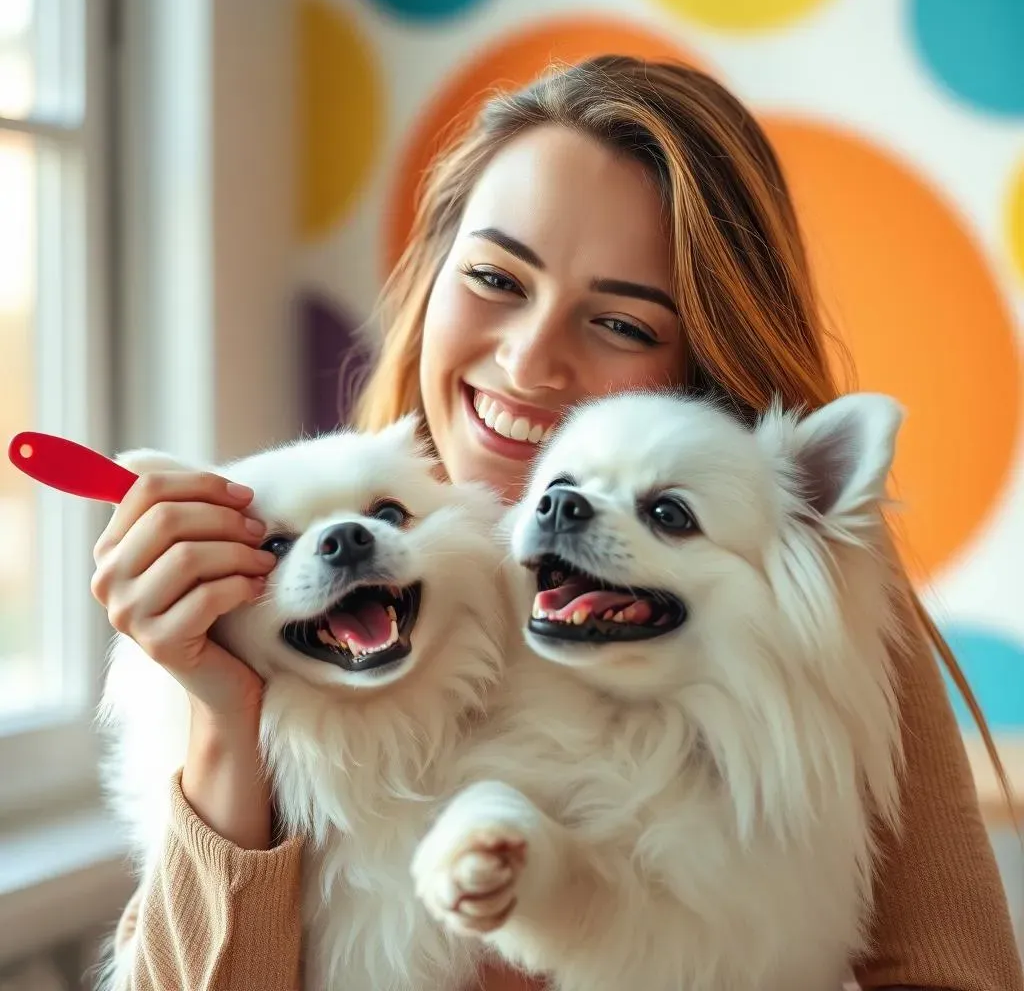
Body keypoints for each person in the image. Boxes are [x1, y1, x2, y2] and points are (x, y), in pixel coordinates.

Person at [91, 56, 1023, 991]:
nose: (531, 362)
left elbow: (950, 970)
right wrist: (222, 718)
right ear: (432, 276)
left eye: (620, 324)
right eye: (497, 277)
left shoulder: (795, 606)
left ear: (703, 356)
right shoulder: (294, 591)